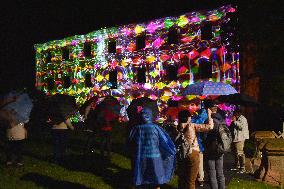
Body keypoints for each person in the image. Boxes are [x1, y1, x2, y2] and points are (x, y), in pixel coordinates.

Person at [127, 105, 176, 189]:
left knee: (142, 174)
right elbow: (164, 141)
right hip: (155, 156)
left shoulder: (136, 128)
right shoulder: (156, 128)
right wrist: (171, 150)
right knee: (156, 176)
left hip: (141, 156)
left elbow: (130, 142)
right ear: (151, 115)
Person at [176, 109, 213, 189]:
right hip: (193, 153)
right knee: (191, 180)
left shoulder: (176, 127)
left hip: (181, 154)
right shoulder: (192, 126)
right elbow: (209, 127)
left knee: (182, 178)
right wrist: (209, 115)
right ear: (188, 118)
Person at [204, 102, 226, 189]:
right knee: (220, 172)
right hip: (220, 148)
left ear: (209, 110)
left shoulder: (208, 121)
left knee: (212, 172)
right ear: (216, 109)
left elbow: (205, 136)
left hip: (211, 148)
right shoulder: (222, 120)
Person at [230, 108, 249, 173]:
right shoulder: (237, 119)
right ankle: (237, 166)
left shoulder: (243, 119)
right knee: (235, 152)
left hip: (240, 138)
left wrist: (235, 121)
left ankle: (243, 168)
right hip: (235, 138)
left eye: (234, 113)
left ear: (238, 113)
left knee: (240, 153)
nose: (233, 114)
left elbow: (241, 127)